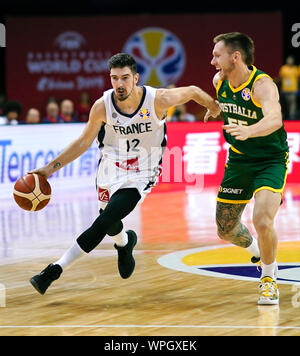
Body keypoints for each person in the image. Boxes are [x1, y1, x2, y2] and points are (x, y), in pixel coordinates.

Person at [29, 53, 220, 295]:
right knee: (109, 222)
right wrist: (48, 169)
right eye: (114, 78)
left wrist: (212, 105)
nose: (119, 84)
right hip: (110, 168)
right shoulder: (102, 106)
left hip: (143, 171)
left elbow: (192, 90)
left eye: (125, 78)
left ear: (136, 78)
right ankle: (125, 243)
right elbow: (83, 142)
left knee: (105, 219)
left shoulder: (157, 99)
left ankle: (54, 270)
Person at [208, 32, 289, 305]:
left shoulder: (262, 84)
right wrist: (216, 109)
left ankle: (269, 278)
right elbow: (227, 104)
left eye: (217, 55)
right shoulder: (219, 81)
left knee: (262, 220)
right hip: (239, 160)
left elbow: (275, 118)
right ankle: (257, 250)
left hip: (271, 160)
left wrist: (249, 130)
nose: (212, 61)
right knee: (225, 228)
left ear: (235, 56)